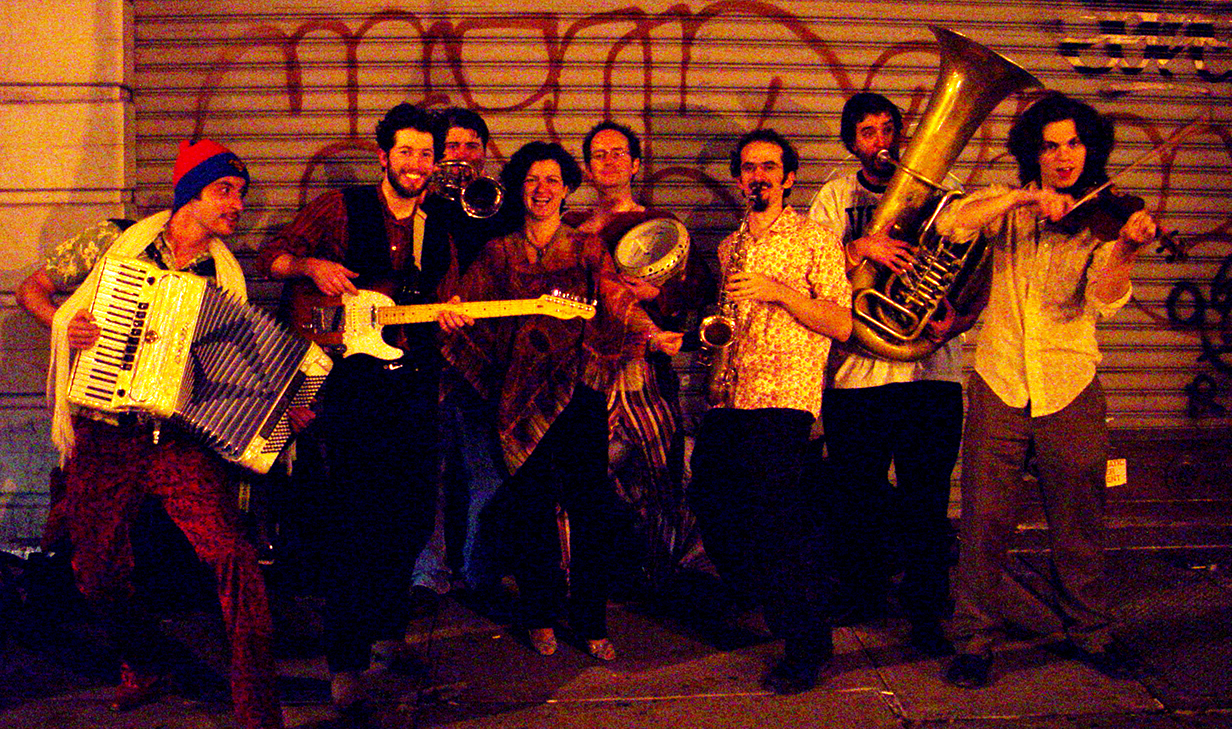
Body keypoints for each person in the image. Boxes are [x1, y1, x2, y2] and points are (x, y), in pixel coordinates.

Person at [16, 139, 283, 728]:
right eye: (225, 191)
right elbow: (31, 289)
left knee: (234, 557)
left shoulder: (225, 280)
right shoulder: (113, 241)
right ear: (190, 194)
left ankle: (258, 707)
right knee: (94, 571)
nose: (237, 205)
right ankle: (143, 662)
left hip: (178, 441)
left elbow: (230, 369)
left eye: (241, 194)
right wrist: (64, 324)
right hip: (104, 434)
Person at [936, 93, 1156, 689]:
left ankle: (1090, 631)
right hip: (1000, 379)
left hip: (1069, 383)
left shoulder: (1107, 215)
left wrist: (1127, 248)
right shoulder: (1009, 206)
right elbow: (953, 221)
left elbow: (1104, 299)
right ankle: (974, 641)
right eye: (1052, 146)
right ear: (1033, 154)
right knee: (984, 521)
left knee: (1079, 521)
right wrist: (1023, 198)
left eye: (1075, 144)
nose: (1065, 157)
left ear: (1091, 149)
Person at [437, 141, 681, 662]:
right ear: (517, 189)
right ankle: (540, 615)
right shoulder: (498, 252)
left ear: (568, 187)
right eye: (531, 180)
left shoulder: (590, 249)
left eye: (552, 180)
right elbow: (466, 310)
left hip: (580, 391)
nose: (541, 189)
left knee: (589, 508)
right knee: (530, 510)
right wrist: (452, 315)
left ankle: (591, 621)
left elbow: (617, 303)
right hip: (519, 395)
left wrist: (651, 331)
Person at [256, 102, 450, 715]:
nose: (415, 163)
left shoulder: (438, 226)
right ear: (384, 156)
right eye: (406, 151)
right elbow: (271, 256)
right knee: (352, 524)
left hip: (411, 386)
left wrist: (449, 317)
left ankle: (387, 634)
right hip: (347, 388)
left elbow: (438, 300)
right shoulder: (341, 206)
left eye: (426, 153)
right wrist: (312, 265)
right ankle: (346, 662)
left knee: (409, 517)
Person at [688, 128, 852, 695]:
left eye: (770, 167)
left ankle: (807, 646)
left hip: (784, 394)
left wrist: (776, 290)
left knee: (779, 523)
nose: (758, 176)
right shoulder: (730, 245)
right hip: (730, 392)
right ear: (740, 179)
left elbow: (841, 323)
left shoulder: (815, 239)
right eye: (749, 167)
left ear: (788, 177)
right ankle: (764, 598)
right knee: (710, 499)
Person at [806, 92, 971, 655]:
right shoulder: (835, 196)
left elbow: (978, 271)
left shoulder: (945, 195)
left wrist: (957, 319)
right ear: (851, 142)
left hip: (931, 374)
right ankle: (863, 592)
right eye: (867, 132)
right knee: (857, 496)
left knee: (927, 499)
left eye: (887, 129)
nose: (880, 141)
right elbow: (811, 276)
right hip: (856, 377)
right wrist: (858, 248)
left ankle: (927, 609)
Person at [562, 120, 705, 593]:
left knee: (662, 471)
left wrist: (658, 295)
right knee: (582, 473)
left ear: (636, 164)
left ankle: (664, 574)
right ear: (587, 168)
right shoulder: (571, 229)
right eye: (599, 155)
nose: (609, 162)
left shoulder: (661, 226)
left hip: (646, 368)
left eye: (619, 153)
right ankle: (584, 576)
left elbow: (699, 291)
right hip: (590, 370)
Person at [409, 106, 509, 612]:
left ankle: (479, 572)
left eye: (473, 146)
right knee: (428, 471)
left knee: (484, 470)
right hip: (425, 357)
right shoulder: (418, 207)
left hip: (480, 358)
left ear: (485, 153)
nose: (463, 156)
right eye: (453, 146)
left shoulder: (498, 204)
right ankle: (427, 574)